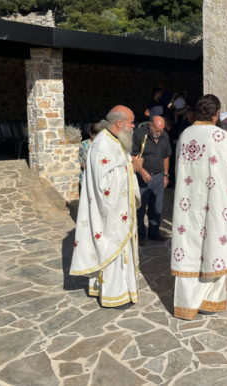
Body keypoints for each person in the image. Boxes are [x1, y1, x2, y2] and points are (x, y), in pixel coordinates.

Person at [171, 94, 227, 320]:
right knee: (214, 245)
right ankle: (209, 300)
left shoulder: (185, 134)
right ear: (216, 114)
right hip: (213, 203)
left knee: (189, 247)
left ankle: (187, 301)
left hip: (188, 204)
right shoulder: (219, 136)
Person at [69, 105, 144, 308]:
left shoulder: (115, 141)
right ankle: (114, 295)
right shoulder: (103, 144)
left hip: (117, 210)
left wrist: (129, 165)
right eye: (131, 122)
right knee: (112, 249)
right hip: (110, 213)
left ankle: (117, 290)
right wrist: (132, 168)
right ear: (119, 123)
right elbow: (104, 184)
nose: (133, 126)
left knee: (119, 250)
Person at [131, 115, 172, 247]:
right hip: (142, 175)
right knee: (140, 207)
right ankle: (140, 235)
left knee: (156, 206)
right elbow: (133, 156)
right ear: (150, 126)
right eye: (157, 130)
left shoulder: (164, 136)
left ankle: (154, 232)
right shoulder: (139, 134)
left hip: (159, 176)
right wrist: (142, 171)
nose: (159, 133)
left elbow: (166, 156)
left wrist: (165, 175)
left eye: (161, 130)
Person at [78, 120, 106, 187]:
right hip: (85, 178)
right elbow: (79, 160)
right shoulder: (83, 145)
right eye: (96, 136)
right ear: (91, 134)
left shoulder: (103, 145)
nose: (99, 139)